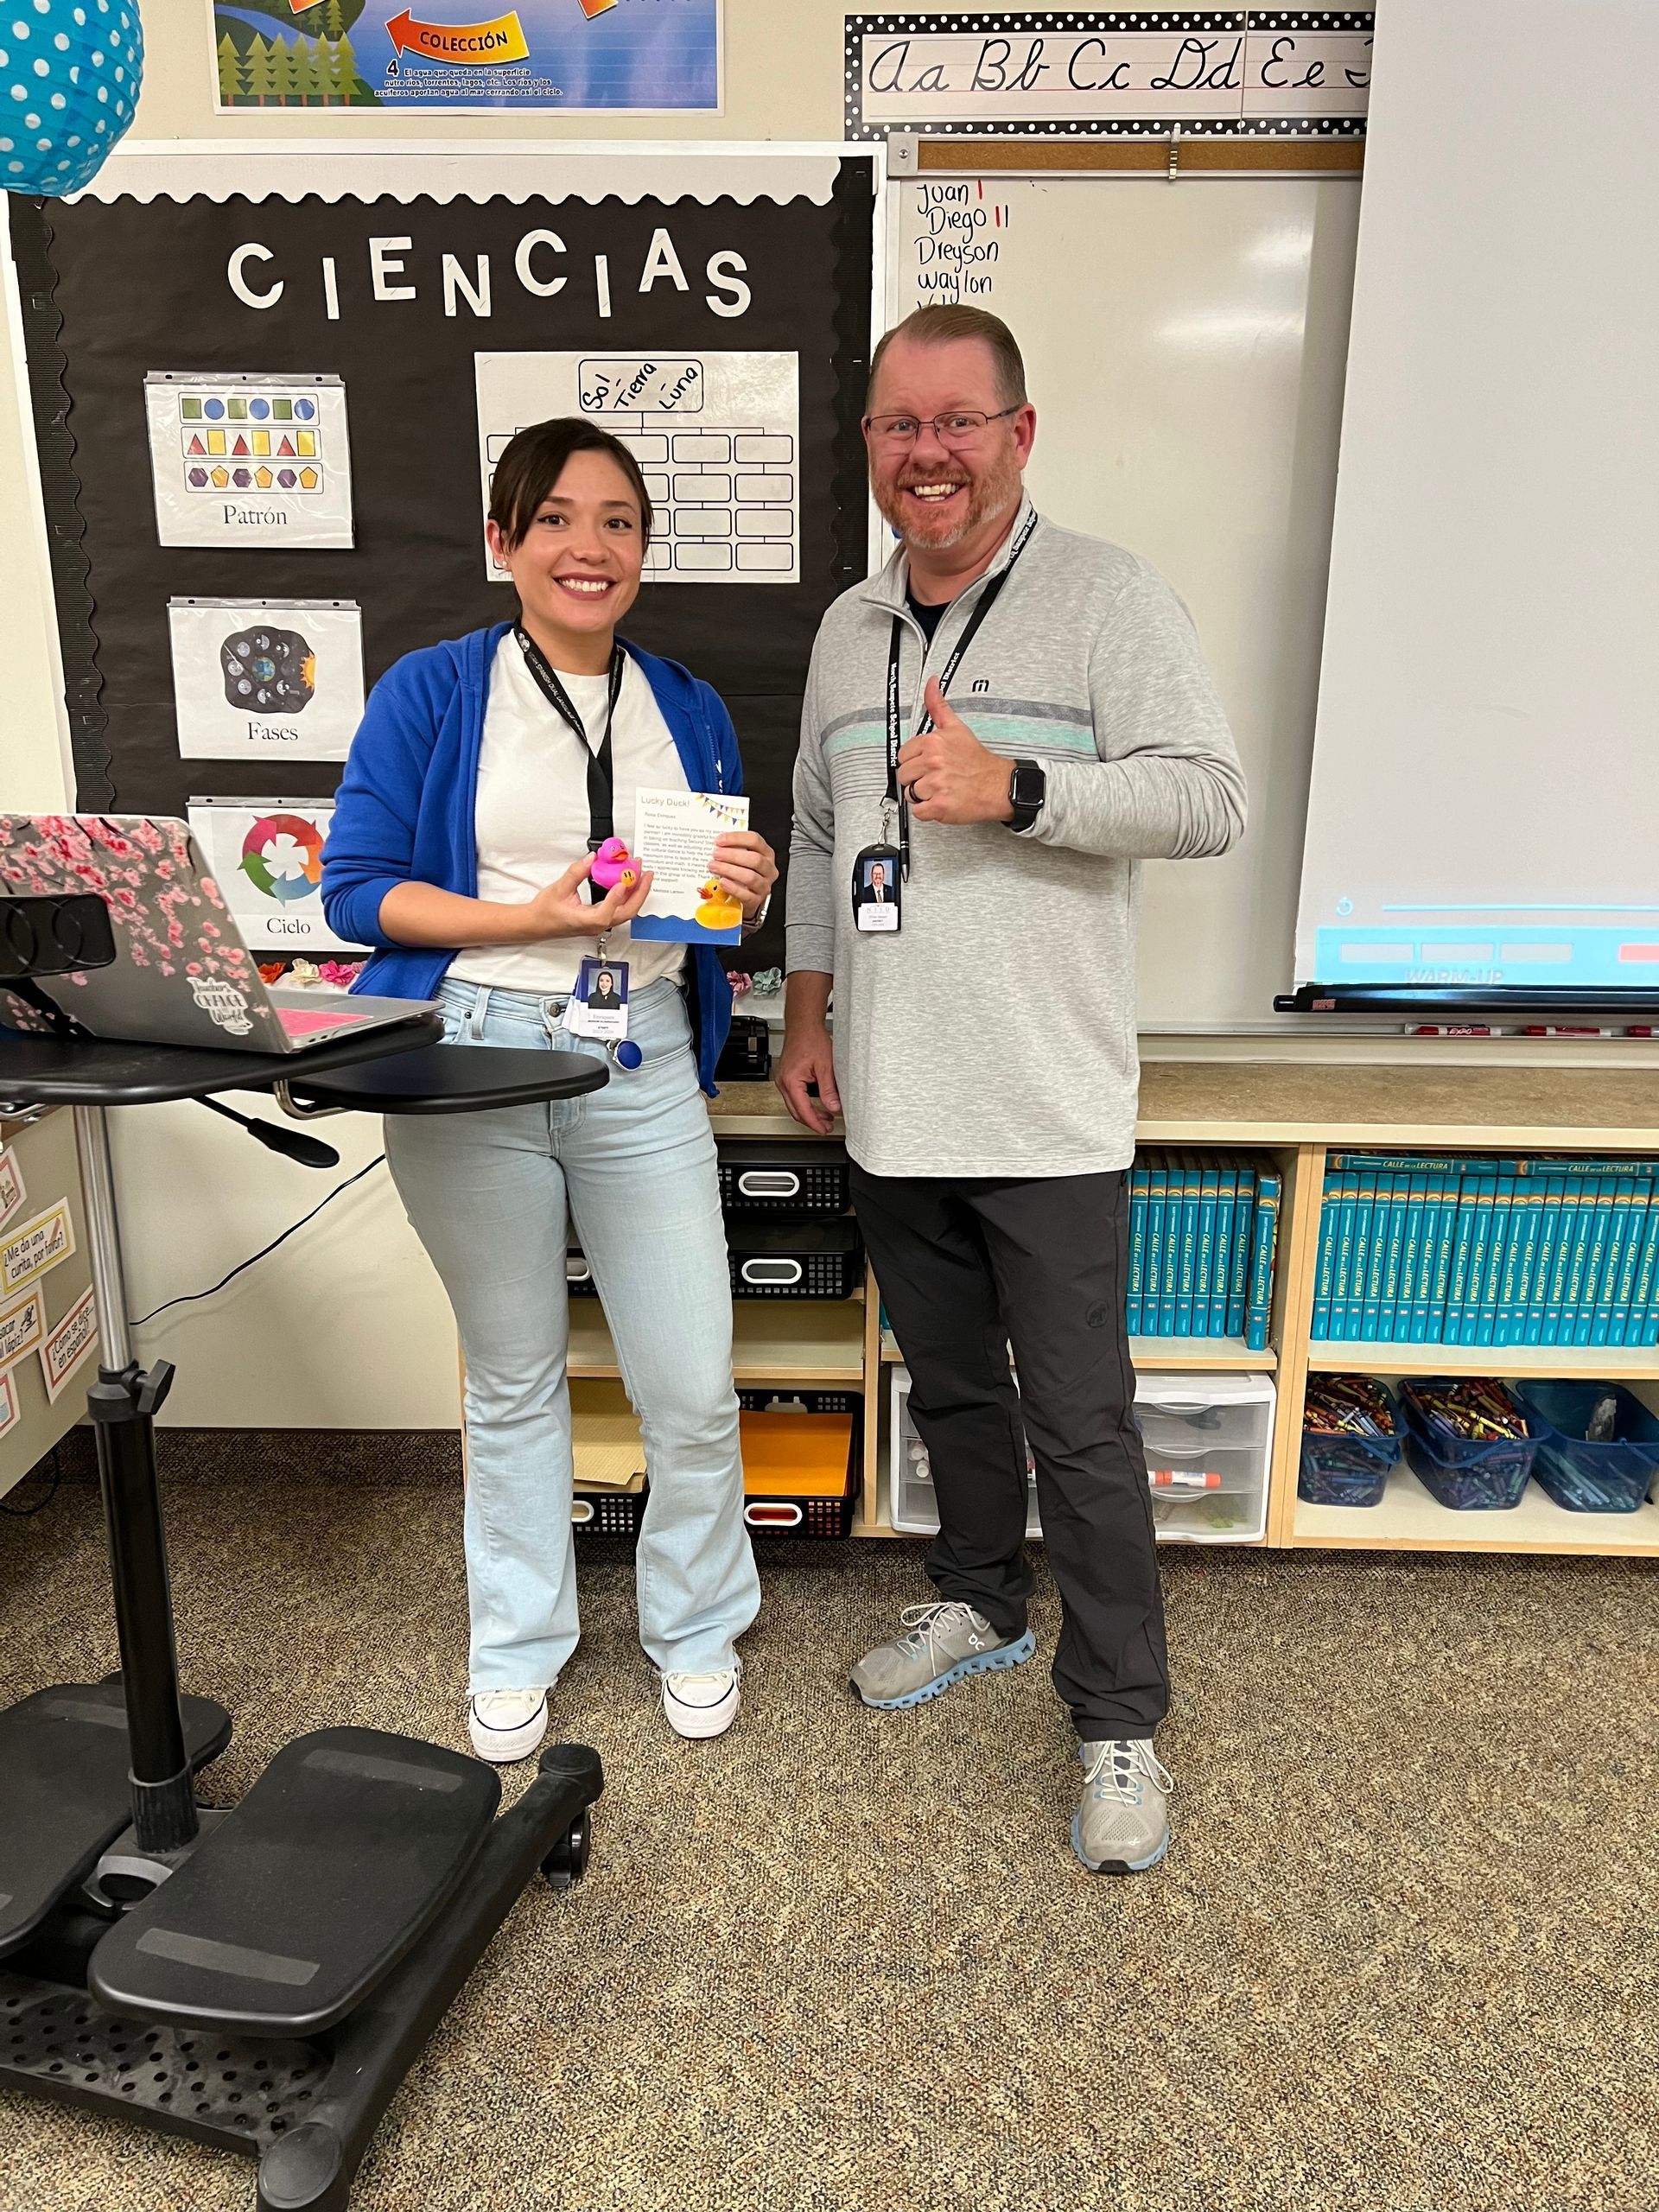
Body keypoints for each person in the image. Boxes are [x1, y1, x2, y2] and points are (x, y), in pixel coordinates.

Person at [778, 305, 1246, 1873]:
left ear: (1019, 435)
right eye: (900, 425)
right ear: (871, 450)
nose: (929, 453)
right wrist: (809, 1010)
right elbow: (819, 843)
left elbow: (1206, 800)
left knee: (1085, 1425)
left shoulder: (1109, 597)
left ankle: (1117, 1714)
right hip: (897, 1096)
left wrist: (1019, 788)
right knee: (955, 1388)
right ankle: (980, 1596)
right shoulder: (851, 631)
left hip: (1046, 1104)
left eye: (958, 422)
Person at [323, 417, 778, 1758]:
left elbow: (693, 904)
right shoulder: (434, 688)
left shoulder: (684, 703)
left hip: (633, 1057)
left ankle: (695, 1623)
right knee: (514, 1377)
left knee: (689, 1380)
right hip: (470, 1053)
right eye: (560, 519)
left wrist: (731, 897)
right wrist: (530, 920)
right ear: (503, 541)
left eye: (620, 521)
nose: (591, 547)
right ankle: (516, 1642)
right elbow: (359, 893)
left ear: (644, 548)